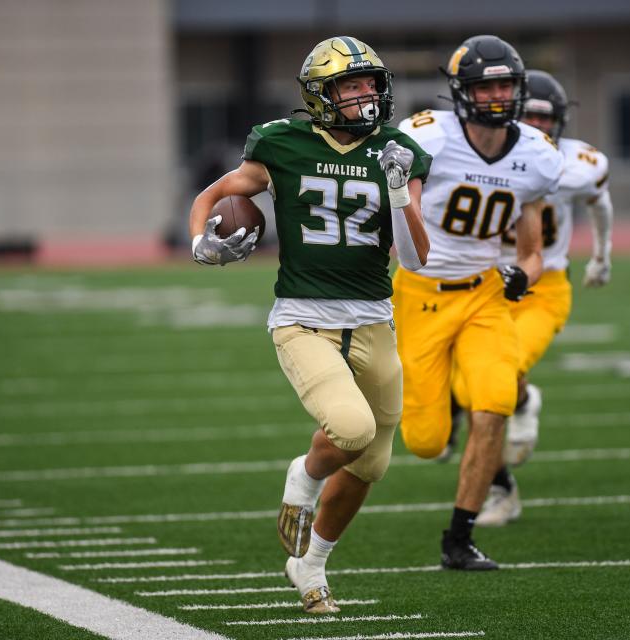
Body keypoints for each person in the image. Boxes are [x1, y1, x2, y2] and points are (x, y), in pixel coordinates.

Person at [188, 36, 432, 612]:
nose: (366, 95)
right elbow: (215, 194)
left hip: (375, 319)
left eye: (371, 82)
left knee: (372, 461)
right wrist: (202, 241)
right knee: (350, 430)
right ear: (322, 96)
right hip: (305, 320)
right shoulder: (281, 143)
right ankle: (302, 477)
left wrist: (400, 193)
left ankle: (311, 565)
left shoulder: (398, 150)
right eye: (351, 85)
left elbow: (418, 259)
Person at [395, 35, 562, 570]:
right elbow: (400, 218)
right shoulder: (429, 139)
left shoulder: (537, 156)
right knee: (424, 441)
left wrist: (523, 274)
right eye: (485, 86)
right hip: (421, 294)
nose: (496, 95)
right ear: (463, 92)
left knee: (494, 405)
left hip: (486, 294)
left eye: (505, 85)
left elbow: (533, 251)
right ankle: (444, 408)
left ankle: (459, 539)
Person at [469, 69, 615, 526]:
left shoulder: (575, 162)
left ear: (560, 121)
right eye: (528, 114)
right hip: (486, 287)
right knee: (473, 392)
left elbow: (599, 198)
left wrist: (602, 256)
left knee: (499, 375)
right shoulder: (484, 149)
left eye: (543, 117)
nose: (535, 125)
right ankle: (502, 486)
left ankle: (522, 404)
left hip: (543, 285)